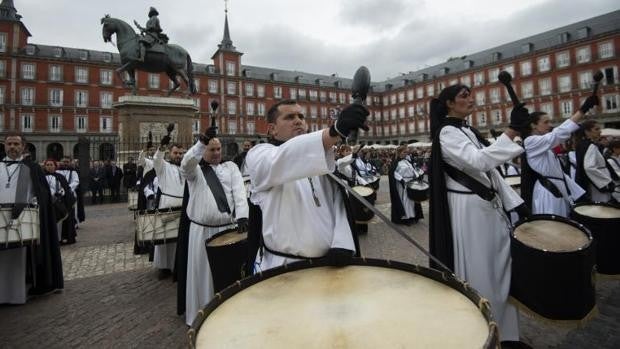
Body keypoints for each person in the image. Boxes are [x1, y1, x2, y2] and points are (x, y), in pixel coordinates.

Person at [428, 85, 531, 347]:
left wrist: (513, 201)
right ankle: (485, 333)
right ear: (449, 103)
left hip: (486, 208)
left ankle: (507, 334)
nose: (471, 99)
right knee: (483, 272)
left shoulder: (468, 130)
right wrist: (511, 131)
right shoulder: (447, 133)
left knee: (500, 270)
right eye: (464, 96)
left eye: (470, 94)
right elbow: (479, 161)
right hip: (470, 211)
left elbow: (492, 172)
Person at [245, 99, 367, 274]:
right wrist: (334, 132)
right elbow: (280, 159)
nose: (298, 120)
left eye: (301, 116)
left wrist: (342, 243)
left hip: (328, 265)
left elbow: (339, 205)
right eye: (289, 117)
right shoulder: (259, 155)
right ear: (272, 129)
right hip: (283, 267)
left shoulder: (323, 162)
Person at [176, 130, 248, 326]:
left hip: (228, 230)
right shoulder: (195, 171)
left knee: (227, 274)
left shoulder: (231, 167)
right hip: (201, 232)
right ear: (203, 151)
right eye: (211, 149)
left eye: (218, 149)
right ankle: (202, 312)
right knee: (203, 273)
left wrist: (242, 215)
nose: (216, 153)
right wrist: (200, 143)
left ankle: (227, 312)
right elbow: (185, 165)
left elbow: (239, 192)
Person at [0, 132, 63, 304]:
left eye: (16, 144)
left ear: (23, 147)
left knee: (18, 258)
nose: (12, 147)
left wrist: (32, 206)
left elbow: (41, 194)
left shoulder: (32, 168)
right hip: (0, 219)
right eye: (9, 144)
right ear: (5, 146)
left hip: (21, 220)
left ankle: (17, 295)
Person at [520, 97, 597, 216]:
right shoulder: (530, 142)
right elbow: (557, 135)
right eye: (545, 122)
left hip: (558, 190)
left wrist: (578, 194)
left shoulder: (543, 146)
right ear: (533, 125)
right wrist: (582, 110)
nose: (549, 125)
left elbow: (560, 174)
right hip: (547, 192)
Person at [151, 137, 185, 279]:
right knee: (165, 239)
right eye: (175, 153)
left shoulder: (185, 168)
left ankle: (176, 266)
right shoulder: (163, 167)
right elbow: (156, 160)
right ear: (170, 153)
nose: (178, 156)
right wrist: (161, 148)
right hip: (167, 205)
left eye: (180, 153)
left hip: (182, 207)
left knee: (178, 240)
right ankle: (164, 267)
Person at [575, 120, 616, 203]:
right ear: (587, 132)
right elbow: (589, 168)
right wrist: (606, 182)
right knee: (602, 208)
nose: (600, 131)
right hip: (597, 186)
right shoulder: (590, 146)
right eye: (596, 129)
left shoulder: (583, 144)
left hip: (593, 184)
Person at [388, 145, 417, 225]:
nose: (405, 154)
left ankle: (412, 216)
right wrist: (401, 179)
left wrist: (417, 175)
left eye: (406, 152)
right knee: (405, 200)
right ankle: (405, 218)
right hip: (402, 183)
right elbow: (393, 172)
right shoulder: (396, 162)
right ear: (399, 153)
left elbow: (412, 170)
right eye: (404, 152)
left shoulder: (407, 161)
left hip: (410, 182)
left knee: (411, 200)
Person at [57, 157, 79, 243]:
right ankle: (60, 237)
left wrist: (67, 188)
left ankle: (70, 236)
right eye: (64, 162)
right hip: (60, 196)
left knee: (70, 216)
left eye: (67, 162)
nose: (65, 163)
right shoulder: (57, 172)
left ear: (70, 163)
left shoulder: (73, 172)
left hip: (69, 195)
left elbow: (76, 181)